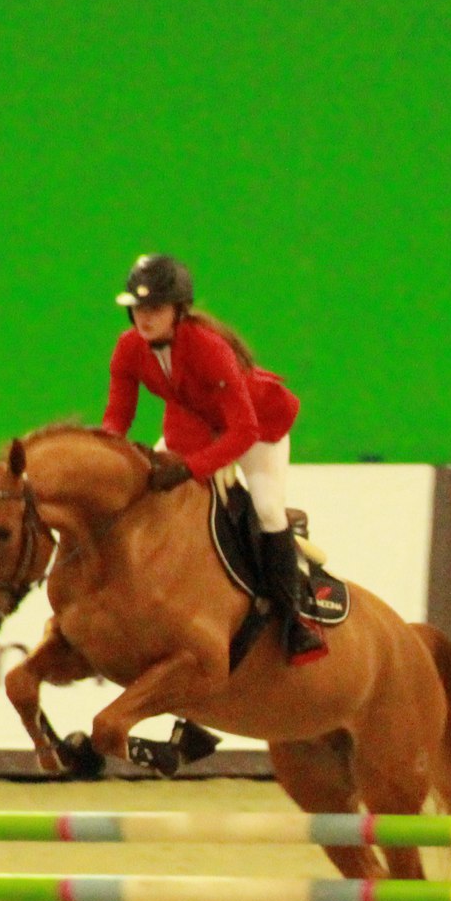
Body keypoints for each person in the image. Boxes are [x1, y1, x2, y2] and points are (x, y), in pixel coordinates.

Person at [99, 253, 324, 664]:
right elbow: (118, 417)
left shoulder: (208, 348)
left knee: (267, 509)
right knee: (152, 493)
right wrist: (103, 452)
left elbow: (243, 431)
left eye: (155, 308)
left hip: (257, 426)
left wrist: (190, 469)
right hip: (193, 422)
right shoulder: (129, 348)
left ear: (179, 310)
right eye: (138, 308)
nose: (144, 317)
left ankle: (295, 621)